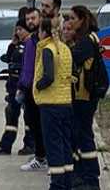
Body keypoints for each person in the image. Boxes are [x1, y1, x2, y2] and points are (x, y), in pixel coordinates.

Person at [34, 16, 75, 190]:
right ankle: (67, 182)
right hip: (66, 102)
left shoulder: (48, 49)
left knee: (54, 145)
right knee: (66, 144)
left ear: (43, 32)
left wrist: (38, 84)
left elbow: (49, 76)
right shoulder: (65, 48)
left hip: (50, 103)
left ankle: (57, 185)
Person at [69, 5, 102, 190]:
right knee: (79, 135)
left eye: (73, 18)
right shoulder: (87, 38)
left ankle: (91, 178)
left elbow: (71, 59)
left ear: (82, 20)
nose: (70, 21)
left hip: (84, 96)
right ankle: (82, 174)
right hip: (83, 95)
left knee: (84, 136)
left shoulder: (86, 41)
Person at [0, 20, 34, 155]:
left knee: (29, 118)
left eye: (21, 29)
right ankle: (5, 145)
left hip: (24, 86)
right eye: (17, 29)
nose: (18, 32)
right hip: (13, 86)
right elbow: (8, 58)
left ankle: (30, 144)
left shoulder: (30, 45)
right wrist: (13, 44)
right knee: (11, 115)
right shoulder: (17, 45)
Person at [18, 8, 49, 171]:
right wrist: (21, 86)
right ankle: (40, 155)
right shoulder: (31, 40)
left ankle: (43, 157)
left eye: (33, 18)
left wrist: (37, 85)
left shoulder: (43, 41)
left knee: (41, 125)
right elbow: (26, 66)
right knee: (33, 124)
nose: (30, 21)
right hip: (28, 88)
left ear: (40, 19)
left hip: (38, 89)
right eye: (28, 19)